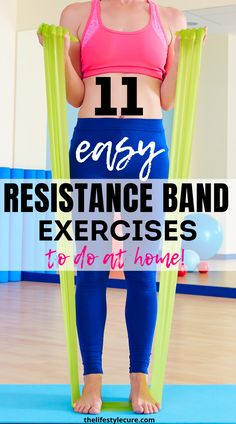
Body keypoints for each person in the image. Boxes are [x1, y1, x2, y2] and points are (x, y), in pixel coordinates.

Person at [39, 0, 187, 415]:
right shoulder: (76, 15)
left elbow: (170, 98)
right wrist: (55, 52)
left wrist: (187, 56)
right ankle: (93, 379)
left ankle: (140, 376)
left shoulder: (172, 19)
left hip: (147, 149)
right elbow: (75, 95)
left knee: (144, 268)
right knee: (92, 268)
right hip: (91, 149)